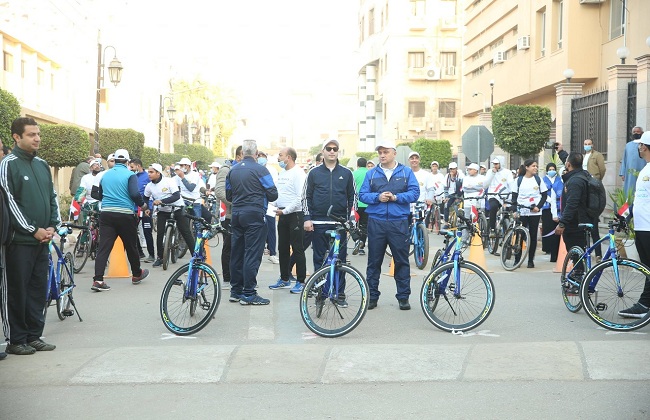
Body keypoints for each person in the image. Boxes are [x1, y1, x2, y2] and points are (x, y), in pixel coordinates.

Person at [0, 117, 60, 355]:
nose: (37, 138)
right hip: (19, 242)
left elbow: (51, 197)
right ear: (17, 137)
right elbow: (9, 202)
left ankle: (34, 336)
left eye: (38, 134)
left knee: (37, 289)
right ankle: (16, 339)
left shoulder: (42, 165)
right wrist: (31, 229)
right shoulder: (8, 164)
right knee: (17, 290)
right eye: (31, 135)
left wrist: (52, 225)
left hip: (42, 241)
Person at [359, 141, 419, 311]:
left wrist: (396, 197)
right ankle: (372, 296)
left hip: (398, 222)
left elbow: (415, 193)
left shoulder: (406, 172)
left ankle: (403, 297)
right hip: (376, 222)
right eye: (380, 152)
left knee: (401, 260)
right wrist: (378, 197)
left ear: (394, 153)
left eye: (385, 152)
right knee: (374, 261)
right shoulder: (371, 174)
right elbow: (362, 195)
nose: (382, 155)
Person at [303, 139, 356, 305]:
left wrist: (351, 219)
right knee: (319, 259)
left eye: (335, 149)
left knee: (339, 259)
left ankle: (339, 294)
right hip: (318, 223)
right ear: (323, 151)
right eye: (329, 148)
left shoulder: (347, 173)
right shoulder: (313, 173)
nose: (332, 151)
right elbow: (306, 196)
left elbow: (353, 197)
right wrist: (307, 218)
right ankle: (320, 293)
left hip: (339, 223)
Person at [226, 139, 278, 305]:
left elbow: (228, 195)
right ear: (256, 154)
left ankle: (236, 290)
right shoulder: (261, 170)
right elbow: (273, 194)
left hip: (237, 214)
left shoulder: (232, 170)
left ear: (242, 154)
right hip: (254, 214)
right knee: (252, 253)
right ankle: (249, 293)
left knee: (237, 251)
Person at [90, 149, 149, 291]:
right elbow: (134, 193)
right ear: (128, 162)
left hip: (107, 214)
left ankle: (98, 280)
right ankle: (136, 274)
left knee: (104, 247)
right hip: (125, 214)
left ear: (114, 160)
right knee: (131, 245)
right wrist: (143, 205)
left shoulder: (105, 175)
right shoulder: (130, 175)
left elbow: (100, 194)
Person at [618, 131, 650, 319]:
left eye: (639, 145)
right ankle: (645, 304)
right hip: (642, 226)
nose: (637, 148)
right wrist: (623, 214)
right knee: (647, 267)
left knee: (647, 268)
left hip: (648, 227)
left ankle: (644, 304)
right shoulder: (645, 169)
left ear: (644, 147)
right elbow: (639, 200)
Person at [269, 147, 307, 293]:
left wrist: (285, 210)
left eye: (280, 155)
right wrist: (272, 205)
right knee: (282, 248)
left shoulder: (298, 173)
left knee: (297, 249)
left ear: (289, 157)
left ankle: (301, 281)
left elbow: (300, 198)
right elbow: (279, 194)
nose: (278, 158)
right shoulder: (283, 173)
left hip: (295, 215)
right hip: (282, 214)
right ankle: (284, 278)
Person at [143, 163, 194, 268]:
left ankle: (196, 256)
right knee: (160, 233)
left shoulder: (169, 181)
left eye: (151, 172)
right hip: (163, 211)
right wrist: (147, 208)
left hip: (177, 208)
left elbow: (176, 196)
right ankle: (160, 258)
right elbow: (145, 198)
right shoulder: (149, 186)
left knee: (186, 232)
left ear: (158, 173)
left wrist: (161, 201)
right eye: (148, 172)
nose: (149, 174)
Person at [555, 152, 591, 290]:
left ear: (568, 164)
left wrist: (563, 222)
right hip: (579, 220)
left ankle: (579, 282)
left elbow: (572, 203)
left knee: (577, 254)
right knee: (578, 253)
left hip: (575, 223)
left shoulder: (575, 181)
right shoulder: (582, 176)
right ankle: (579, 279)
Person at [214, 146, 243, 289]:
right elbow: (220, 192)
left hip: (243, 215)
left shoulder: (245, 170)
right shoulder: (226, 170)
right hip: (231, 216)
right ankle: (227, 278)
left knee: (241, 249)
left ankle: (239, 279)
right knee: (229, 247)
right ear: (238, 157)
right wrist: (238, 203)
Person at [511, 159, 548, 268]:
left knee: (532, 236)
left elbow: (544, 195)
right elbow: (514, 198)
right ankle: (517, 260)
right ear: (527, 167)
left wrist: (538, 207)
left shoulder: (538, 180)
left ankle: (530, 260)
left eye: (536, 166)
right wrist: (514, 211)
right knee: (520, 236)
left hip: (534, 213)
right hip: (522, 211)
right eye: (533, 166)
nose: (535, 168)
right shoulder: (518, 180)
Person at [582, 138, 605, 261]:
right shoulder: (583, 156)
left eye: (589, 144)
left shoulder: (597, 155)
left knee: (594, 228)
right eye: (585, 144)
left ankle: (598, 254)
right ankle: (586, 252)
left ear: (593, 145)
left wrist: (596, 179)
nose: (587, 146)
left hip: (593, 184)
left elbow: (602, 169)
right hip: (585, 186)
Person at [129, 158, 155, 262]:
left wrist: (149, 206)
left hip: (146, 208)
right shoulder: (132, 177)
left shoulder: (148, 177)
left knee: (147, 231)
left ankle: (152, 254)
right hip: (134, 208)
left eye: (132, 167)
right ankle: (139, 253)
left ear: (138, 166)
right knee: (132, 231)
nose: (130, 169)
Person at [257, 151, 279, 264]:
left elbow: (273, 187)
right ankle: (259, 252)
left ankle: (272, 253)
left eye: (263, 157)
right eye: (259, 157)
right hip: (257, 206)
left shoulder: (272, 170)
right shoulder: (254, 169)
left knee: (271, 230)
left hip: (270, 205)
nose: (261, 159)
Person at [485, 155, 514, 236]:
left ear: (501, 163)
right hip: (493, 195)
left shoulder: (507, 172)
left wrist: (511, 196)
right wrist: (492, 174)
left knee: (507, 213)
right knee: (493, 207)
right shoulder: (490, 172)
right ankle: (492, 229)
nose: (495, 166)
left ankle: (507, 234)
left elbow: (511, 184)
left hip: (505, 196)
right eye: (494, 164)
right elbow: (485, 184)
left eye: (497, 164)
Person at [541, 162, 563, 262]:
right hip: (546, 206)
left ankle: (556, 249)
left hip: (558, 207)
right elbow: (542, 192)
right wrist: (549, 199)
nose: (551, 171)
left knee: (555, 228)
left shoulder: (559, 180)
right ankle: (547, 247)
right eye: (549, 169)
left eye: (553, 169)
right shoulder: (543, 180)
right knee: (547, 227)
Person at [619, 126, 645, 198]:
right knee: (630, 190)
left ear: (642, 133)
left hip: (642, 170)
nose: (636, 133)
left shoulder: (644, 145)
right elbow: (624, 159)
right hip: (629, 173)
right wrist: (622, 173)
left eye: (638, 132)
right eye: (634, 132)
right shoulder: (628, 145)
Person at [352, 157, 369, 255]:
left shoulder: (354, 173)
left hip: (356, 204)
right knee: (364, 226)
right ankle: (361, 248)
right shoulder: (369, 173)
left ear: (357, 165)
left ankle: (356, 241)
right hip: (367, 204)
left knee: (353, 224)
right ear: (366, 165)